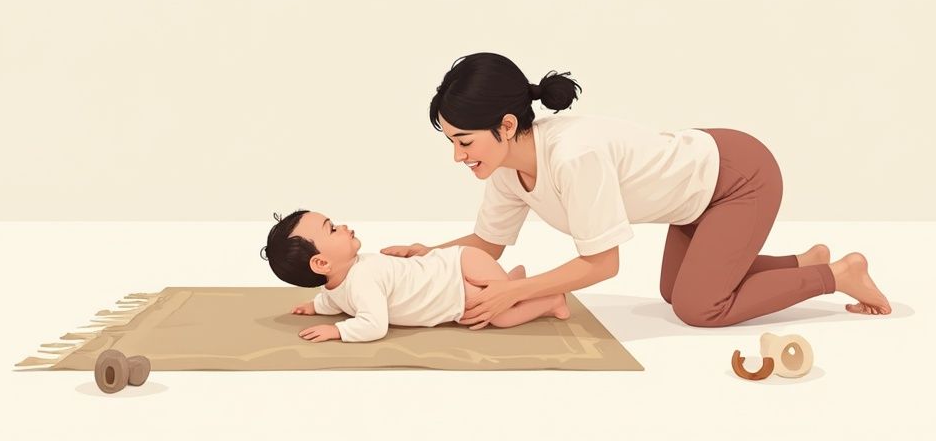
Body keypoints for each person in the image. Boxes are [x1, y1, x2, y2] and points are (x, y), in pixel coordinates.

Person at [380, 52, 891, 329]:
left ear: (507, 125)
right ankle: (802, 261)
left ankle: (837, 273)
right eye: (451, 142)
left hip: (738, 179)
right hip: (695, 193)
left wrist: (515, 290)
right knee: (675, 292)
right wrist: (430, 254)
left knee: (699, 308)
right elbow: (486, 245)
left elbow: (602, 264)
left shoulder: (573, 156)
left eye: (463, 141)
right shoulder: (509, 170)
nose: (457, 155)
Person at [261, 209, 570, 343]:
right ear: (322, 264)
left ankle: (551, 300)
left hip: (460, 272)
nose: (343, 227)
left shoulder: (363, 276)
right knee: (496, 300)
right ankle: (511, 280)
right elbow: (337, 299)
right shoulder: (342, 285)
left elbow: (373, 325)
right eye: (332, 229)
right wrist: (317, 307)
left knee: (500, 317)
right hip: (457, 284)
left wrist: (338, 332)